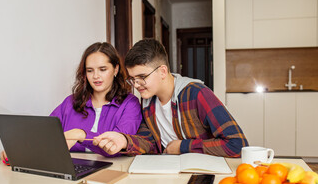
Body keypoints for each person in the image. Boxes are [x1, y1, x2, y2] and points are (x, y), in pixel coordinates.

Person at [92, 39, 248, 157]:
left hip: (198, 172)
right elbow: (150, 142)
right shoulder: (147, 100)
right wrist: (125, 141)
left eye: (142, 77)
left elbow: (237, 144)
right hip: (165, 170)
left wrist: (183, 147)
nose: (136, 85)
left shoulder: (197, 93)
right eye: (132, 79)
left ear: (162, 71)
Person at [1, 42, 142, 163]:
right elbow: (46, 134)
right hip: (70, 170)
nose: (96, 76)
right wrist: (18, 148)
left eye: (103, 69)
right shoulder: (71, 102)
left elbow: (116, 145)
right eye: (90, 71)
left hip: (114, 172)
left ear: (115, 69)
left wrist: (80, 134)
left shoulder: (130, 104)